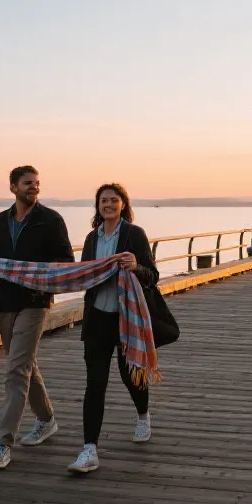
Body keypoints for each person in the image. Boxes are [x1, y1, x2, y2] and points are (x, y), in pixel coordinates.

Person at [0, 165, 75, 469]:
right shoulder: (0, 221)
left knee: (15, 370)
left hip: (36, 303)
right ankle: (47, 419)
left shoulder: (51, 220)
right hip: (6, 302)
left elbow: (66, 261)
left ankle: (2, 444)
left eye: (37, 184)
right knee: (23, 366)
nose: (34, 188)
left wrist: (36, 273)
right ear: (13, 187)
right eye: (28, 184)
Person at [67, 183, 161, 474]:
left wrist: (136, 266)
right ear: (97, 206)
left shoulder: (134, 234)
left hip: (127, 320)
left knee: (130, 374)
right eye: (103, 200)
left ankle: (143, 415)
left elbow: (152, 276)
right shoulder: (91, 239)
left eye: (113, 200)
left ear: (123, 204)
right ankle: (89, 450)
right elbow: (84, 275)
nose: (108, 204)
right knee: (95, 383)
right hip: (97, 319)